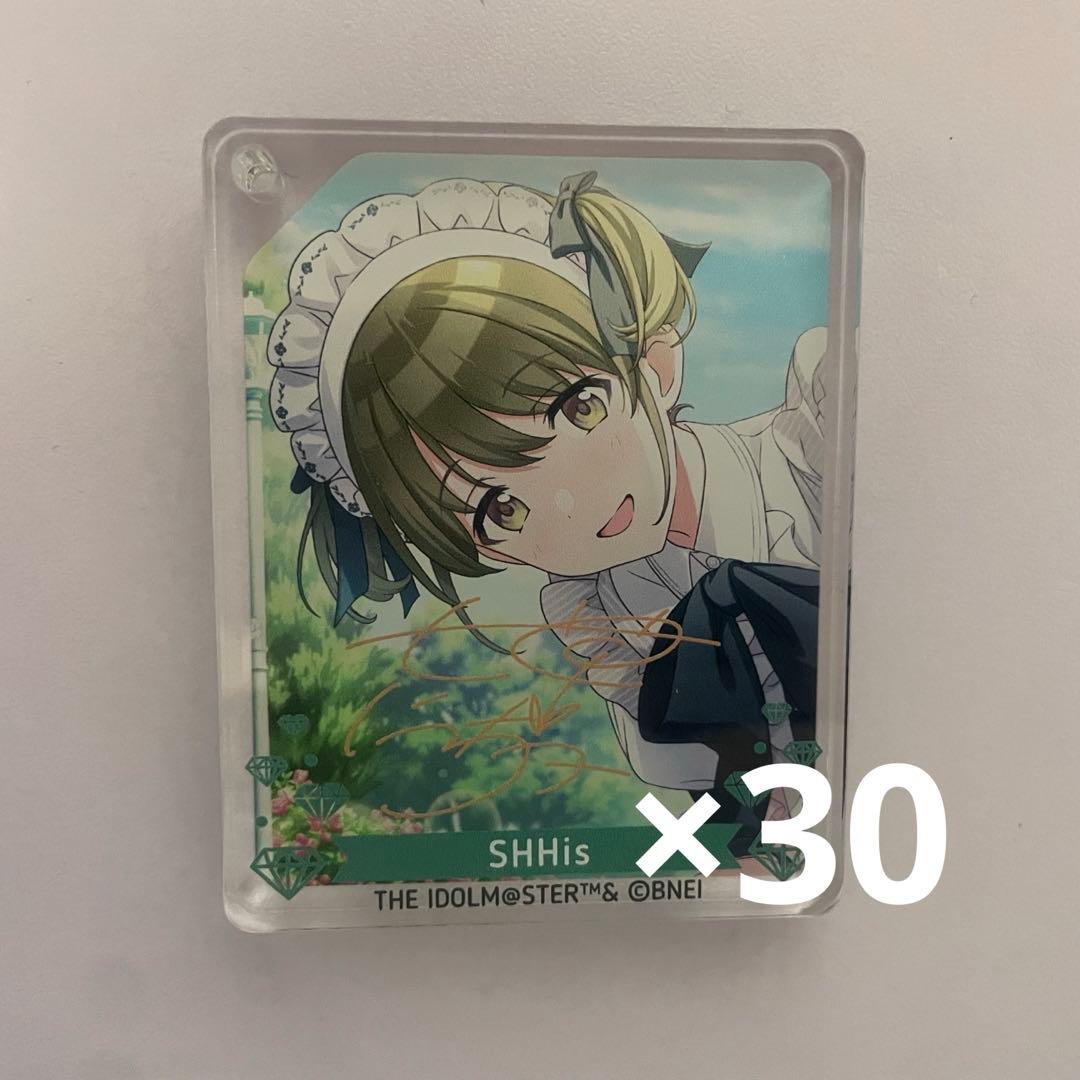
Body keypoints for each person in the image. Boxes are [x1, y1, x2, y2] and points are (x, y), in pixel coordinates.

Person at [267, 171, 827, 833]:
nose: (569, 503)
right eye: (499, 509)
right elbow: (669, 756)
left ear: (655, 366)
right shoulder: (591, 607)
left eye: (580, 408)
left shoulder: (814, 440)